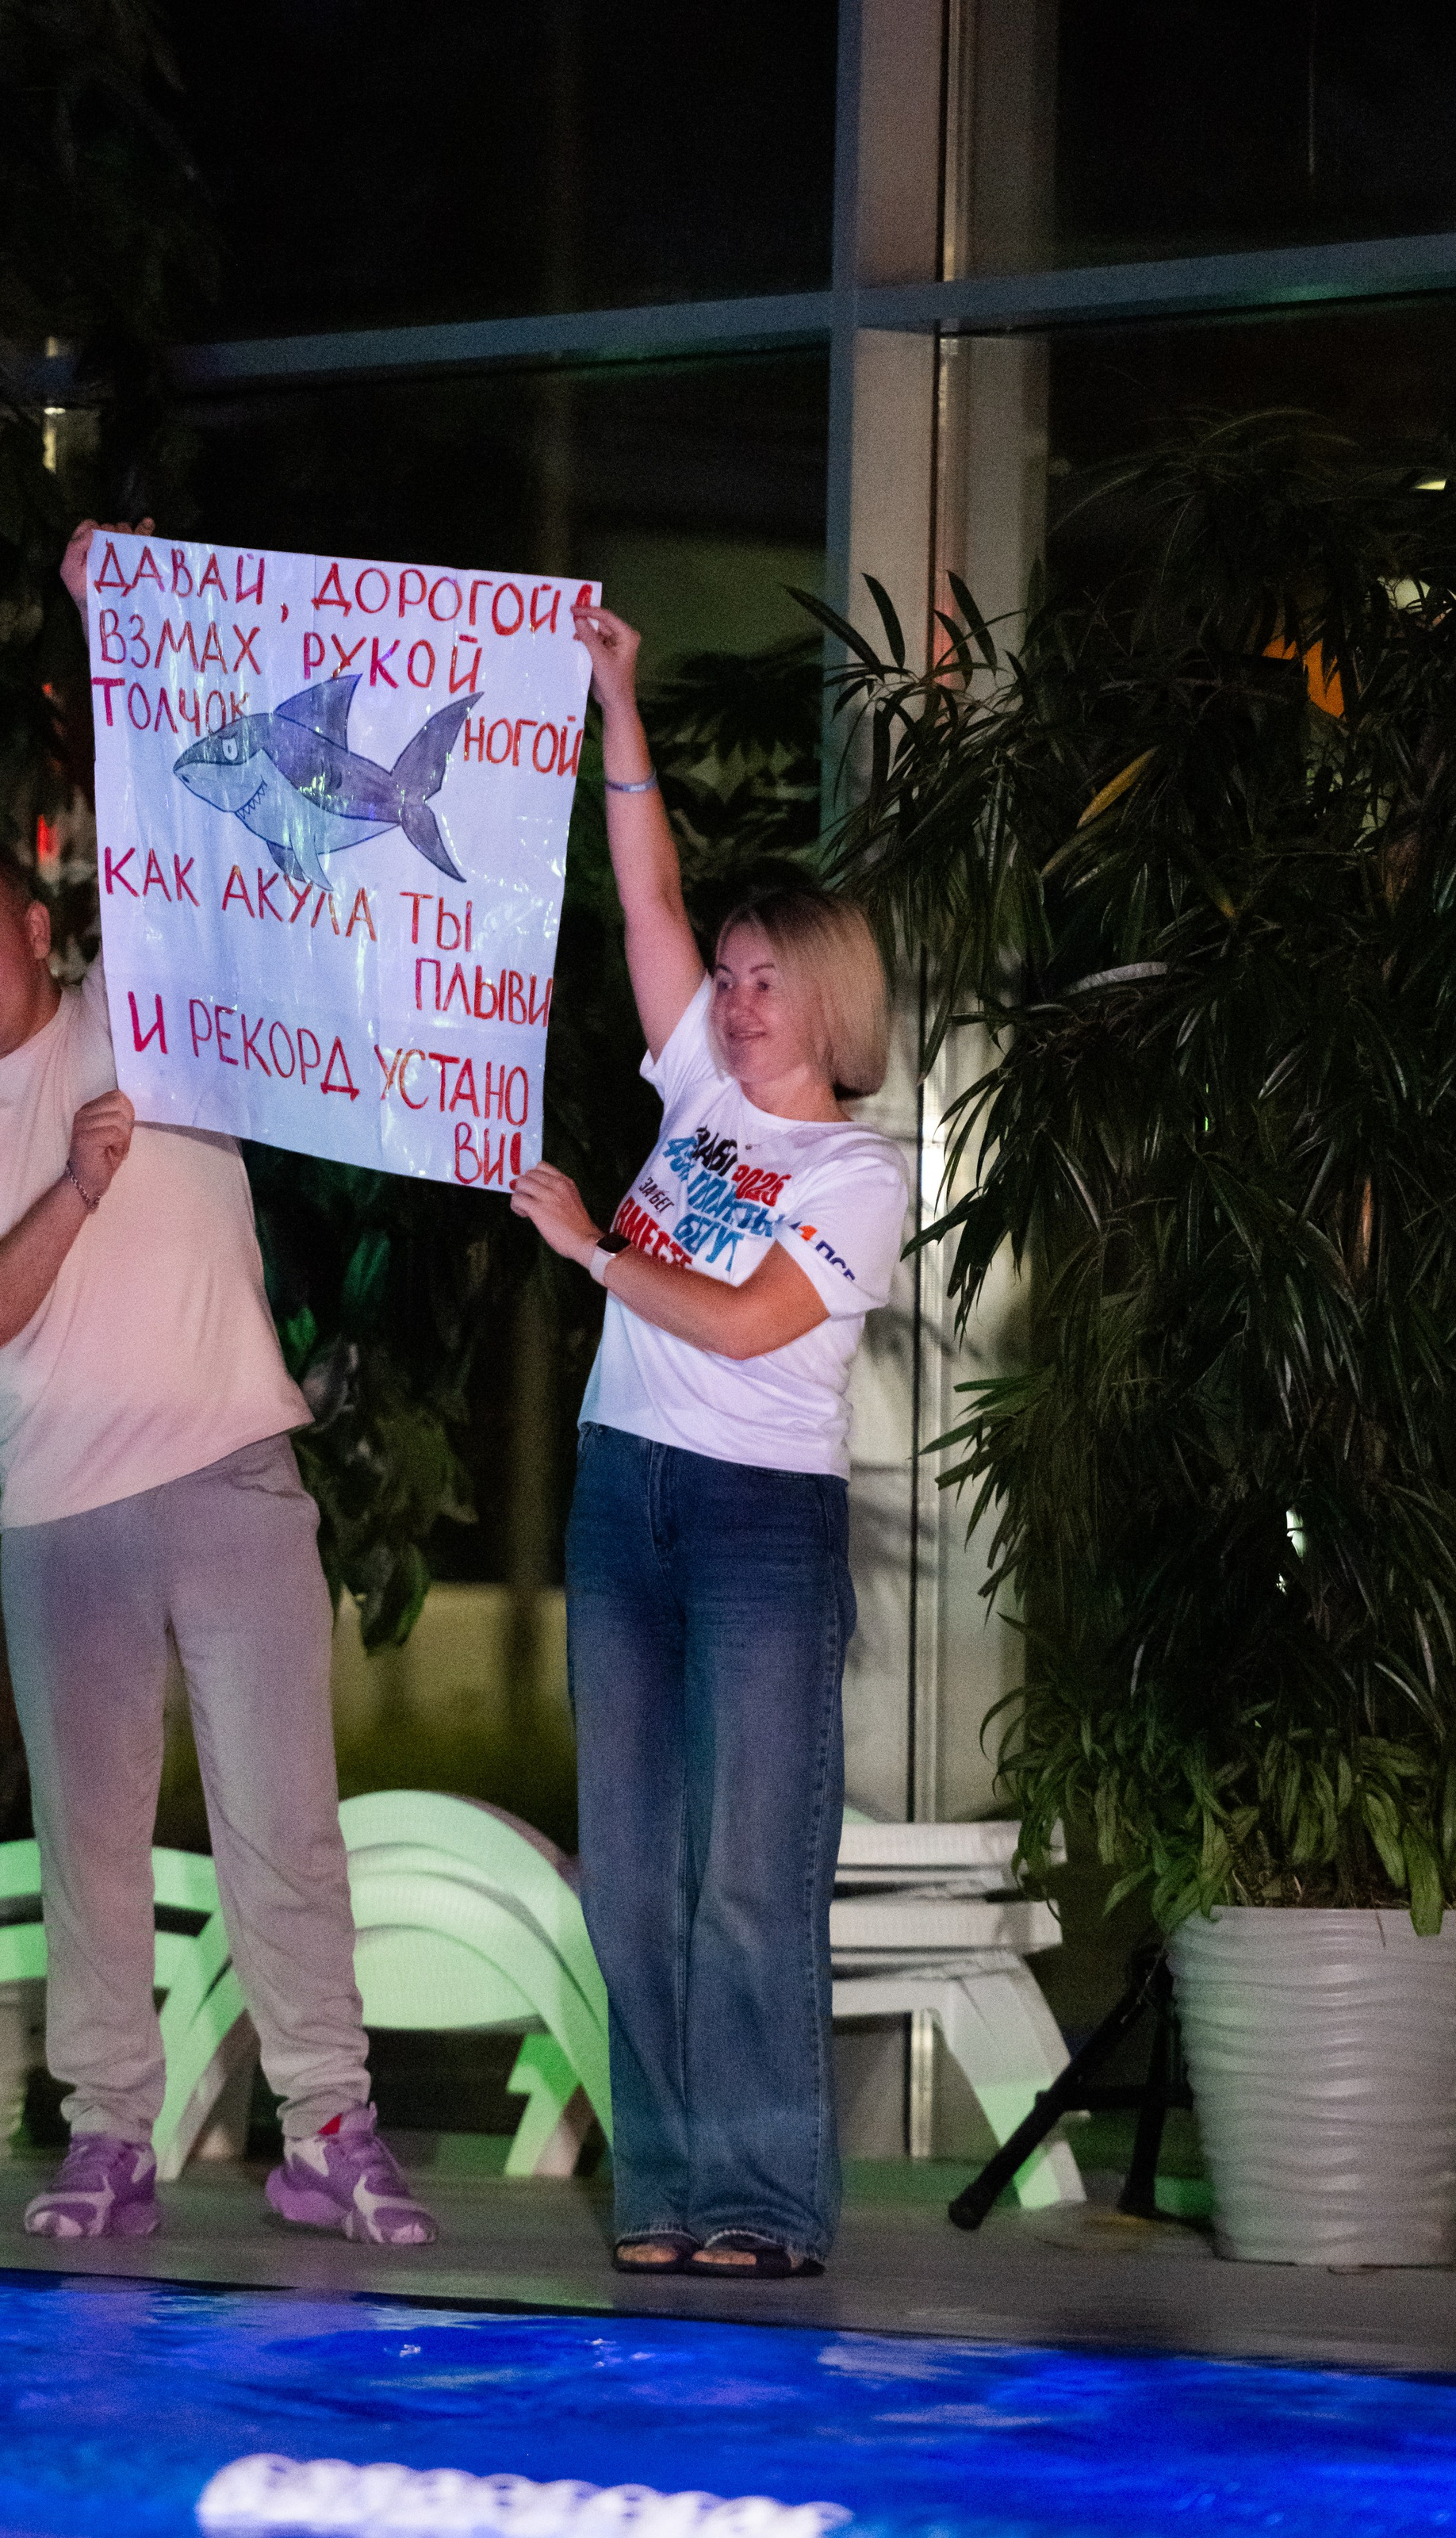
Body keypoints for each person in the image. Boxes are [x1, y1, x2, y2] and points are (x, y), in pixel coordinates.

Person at [0, 522, 437, 2251]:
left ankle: (327, 2123)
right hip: (65, 1513)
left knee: (285, 1824)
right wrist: (74, 1189)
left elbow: (211, 828)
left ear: (34, 927)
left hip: (236, 1475)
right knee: (90, 1839)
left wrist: (122, 620)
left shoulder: (159, 1004)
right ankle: (109, 2130)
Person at [510, 603, 908, 2281]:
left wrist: (598, 1252)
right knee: (634, 1882)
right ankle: (666, 2191)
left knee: (747, 1881)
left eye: (763, 981)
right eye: (728, 981)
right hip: (626, 1502)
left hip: (753, 1526)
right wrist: (617, 694)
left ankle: (765, 2202)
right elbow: (645, 895)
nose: (733, 1003)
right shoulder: (694, 1101)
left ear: (824, 999)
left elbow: (750, 1323)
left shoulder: (856, 1175)